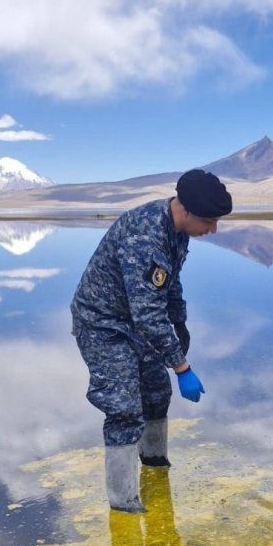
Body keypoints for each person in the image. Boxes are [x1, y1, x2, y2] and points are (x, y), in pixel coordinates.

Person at [71, 169, 232, 513]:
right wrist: (182, 366)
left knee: (157, 392)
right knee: (124, 407)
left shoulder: (177, 231)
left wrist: (180, 319)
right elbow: (147, 315)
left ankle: (155, 461)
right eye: (209, 220)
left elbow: (169, 282)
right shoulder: (145, 237)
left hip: (135, 320)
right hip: (104, 325)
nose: (213, 229)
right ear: (185, 209)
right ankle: (123, 498)